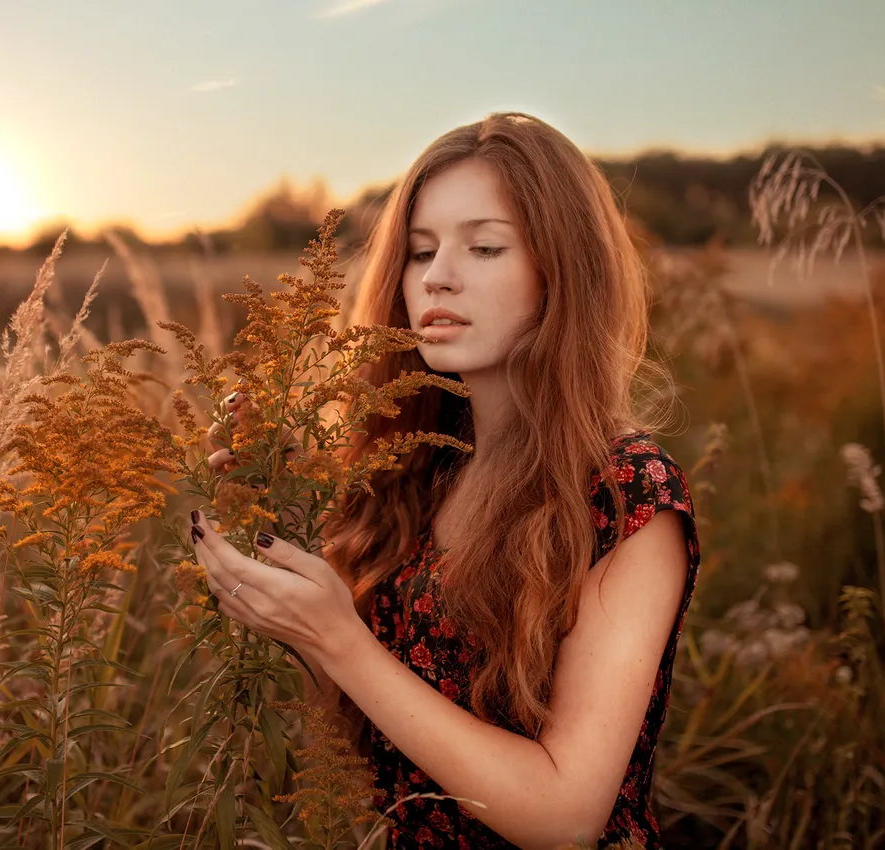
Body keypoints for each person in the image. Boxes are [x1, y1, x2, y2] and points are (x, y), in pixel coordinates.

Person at [188, 111, 701, 849]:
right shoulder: (417, 467)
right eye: (420, 251)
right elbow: (376, 732)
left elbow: (566, 815)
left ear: (565, 268)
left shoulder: (629, 491)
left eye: (484, 247)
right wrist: (287, 518)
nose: (437, 277)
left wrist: (341, 643)